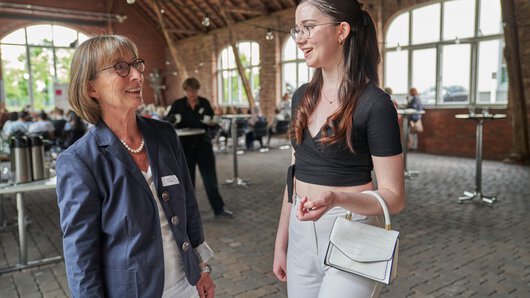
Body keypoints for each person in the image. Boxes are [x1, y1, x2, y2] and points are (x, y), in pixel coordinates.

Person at [56, 35, 215, 298]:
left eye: (136, 64)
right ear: (91, 88)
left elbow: (188, 207)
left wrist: (203, 267)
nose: (137, 75)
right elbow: (81, 255)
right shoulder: (80, 160)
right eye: (120, 67)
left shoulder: (164, 135)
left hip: (186, 285)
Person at [272, 1, 405, 297]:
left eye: (308, 27)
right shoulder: (301, 97)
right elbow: (294, 175)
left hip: (352, 229)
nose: (299, 38)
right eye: (297, 30)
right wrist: (282, 242)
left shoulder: (374, 103)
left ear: (341, 31)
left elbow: (394, 199)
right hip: (301, 229)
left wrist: (336, 198)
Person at [166, 77, 233, 219]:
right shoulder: (178, 104)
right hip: (184, 147)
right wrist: (172, 120)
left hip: (203, 144)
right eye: (190, 90)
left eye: (195, 90)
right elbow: (167, 121)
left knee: (210, 179)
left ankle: (219, 209)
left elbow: (213, 122)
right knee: (187, 181)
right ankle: (188, 213)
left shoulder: (204, 103)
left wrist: (212, 123)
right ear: (185, 90)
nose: (192, 93)